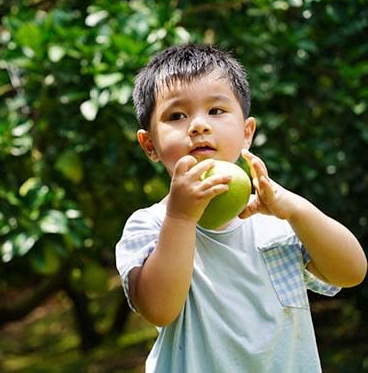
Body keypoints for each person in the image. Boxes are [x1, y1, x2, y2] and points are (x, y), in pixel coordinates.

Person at [115, 43, 366, 372]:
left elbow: (351, 272)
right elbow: (158, 308)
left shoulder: (276, 219)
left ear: (247, 133)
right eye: (177, 115)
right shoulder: (151, 224)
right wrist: (180, 217)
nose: (199, 126)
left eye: (216, 111)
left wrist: (296, 210)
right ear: (151, 146)